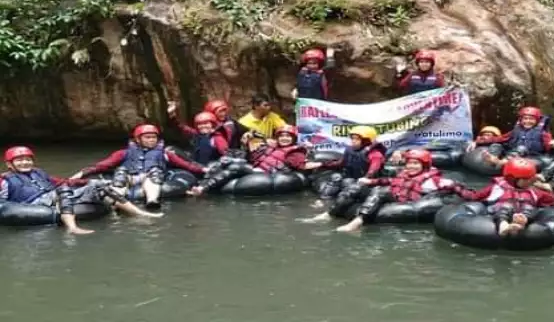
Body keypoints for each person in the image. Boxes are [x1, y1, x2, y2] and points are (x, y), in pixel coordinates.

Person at [1, 146, 161, 234]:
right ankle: (72, 228)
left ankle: (139, 214)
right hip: (34, 204)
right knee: (63, 190)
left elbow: (64, 181)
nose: (25, 163)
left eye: (27, 159)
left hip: (53, 197)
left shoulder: (39, 172)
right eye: (19, 160)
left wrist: (86, 181)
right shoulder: (4, 179)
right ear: (10, 164)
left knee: (97, 185)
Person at [310, 149, 471, 233]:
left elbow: (455, 187)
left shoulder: (433, 179)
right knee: (358, 187)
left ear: (425, 165)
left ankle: (358, 222)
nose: (411, 166)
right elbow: (389, 181)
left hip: (406, 201)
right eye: (409, 163)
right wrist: (369, 181)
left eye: (416, 164)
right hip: (394, 194)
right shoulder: (404, 173)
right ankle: (330, 213)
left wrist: (472, 196)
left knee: (381, 192)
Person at [71, 124, 207, 210]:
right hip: (131, 176)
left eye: (154, 137)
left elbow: (185, 165)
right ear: (138, 139)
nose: (152, 140)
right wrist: (83, 173)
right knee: (121, 173)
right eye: (147, 137)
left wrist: (203, 170)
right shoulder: (124, 153)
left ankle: (152, 201)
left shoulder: (165, 154)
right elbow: (104, 165)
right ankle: (117, 201)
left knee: (155, 171)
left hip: (151, 177)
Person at [187, 125, 322, 196]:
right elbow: (252, 158)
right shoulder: (271, 147)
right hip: (256, 169)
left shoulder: (295, 151)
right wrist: (246, 144)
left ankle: (202, 188)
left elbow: (298, 164)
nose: (284, 138)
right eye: (282, 136)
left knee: (236, 168)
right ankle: (202, 182)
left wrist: (316, 163)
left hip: (268, 175)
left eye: (288, 136)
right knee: (228, 162)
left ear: (293, 139)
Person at [463, 158, 554, 236]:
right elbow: (475, 196)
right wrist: (457, 189)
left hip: (524, 214)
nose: (531, 181)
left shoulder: (534, 192)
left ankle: (522, 221)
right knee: (505, 207)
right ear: (513, 179)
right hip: (498, 212)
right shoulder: (497, 187)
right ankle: (503, 225)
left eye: (531, 178)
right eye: (527, 179)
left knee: (528, 208)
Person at [310, 125, 387, 208]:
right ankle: (323, 200)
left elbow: (373, 170)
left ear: (366, 140)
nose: (353, 141)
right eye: (352, 138)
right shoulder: (349, 150)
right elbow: (341, 163)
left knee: (349, 183)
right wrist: (321, 164)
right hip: (352, 177)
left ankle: (337, 206)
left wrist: (365, 179)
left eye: (357, 139)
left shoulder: (375, 154)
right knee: (336, 177)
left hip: (368, 183)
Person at [474, 106, 554, 163]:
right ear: (521, 119)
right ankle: (492, 160)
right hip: (512, 154)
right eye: (525, 119)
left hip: (532, 157)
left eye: (531, 119)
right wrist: (478, 141)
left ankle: (501, 163)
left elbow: (548, 145)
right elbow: (500, 138)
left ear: (537, 120)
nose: (527, 121)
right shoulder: (516, 130)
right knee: (496, 145)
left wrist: (552, 145)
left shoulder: (543, 133)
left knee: (521, 148)